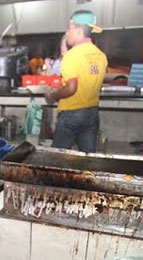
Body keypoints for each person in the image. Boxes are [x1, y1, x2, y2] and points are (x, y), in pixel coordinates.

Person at [45, 10, 107, 153]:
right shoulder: (100, 55)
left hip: (71, 114)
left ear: (77, 30)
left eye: (69, 29)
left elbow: (71, 88)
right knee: (88, 157)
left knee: (57, 157)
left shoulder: (72, 55)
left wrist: (51, 96)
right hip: (92, 113)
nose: (67, 33)